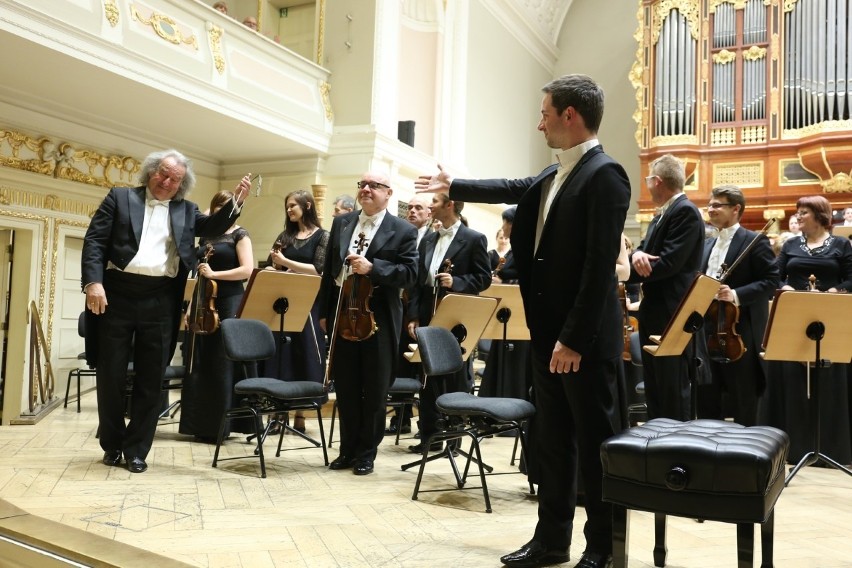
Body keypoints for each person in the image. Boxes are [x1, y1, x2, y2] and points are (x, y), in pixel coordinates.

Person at [417, 74, 630, 568]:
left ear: (569, 116)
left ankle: (602, 547)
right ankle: (551, 541)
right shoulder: (555, 174)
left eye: (544, 114)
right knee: (552, 443)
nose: (539, 124)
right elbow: (512, 185)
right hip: (547, 337)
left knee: (594, 446)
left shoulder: (606, 174)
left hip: (581, 341)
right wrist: (457, 185)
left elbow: (600, 268)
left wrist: (573, 339)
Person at [82, 149, 251, 474]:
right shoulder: (119, 198)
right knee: (111, 374)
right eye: (162, 173)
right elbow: (94, 242)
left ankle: (136, 450)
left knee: (151, 377)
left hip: (161, 300)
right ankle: (113, 444)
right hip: (116, 294)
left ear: (181, 185)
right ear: (150, 172)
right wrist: (93, 283)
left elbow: (214, 224)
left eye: (174, 179)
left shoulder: (186, 211)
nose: (166, 181)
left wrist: (236, 202)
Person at [318, 172, 418, 476]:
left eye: (374, 186)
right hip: (342, 314)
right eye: (362, 185)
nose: (366, 189)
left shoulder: (403, 230)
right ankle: (347, 449)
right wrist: (325, 311)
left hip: (380, 319)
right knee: (346, 386)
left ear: (388, 193)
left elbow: (410, 273)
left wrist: (374, 268)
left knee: (374, 389)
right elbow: (329, 272)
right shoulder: (341, 223)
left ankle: (366, 453)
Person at [764, 195, 852, 466]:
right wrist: (786, 288)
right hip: (795, 316)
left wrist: (834, 292)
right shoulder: (791, 244)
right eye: (798, 212)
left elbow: (851, 277)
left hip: (830, 315)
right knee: (794, 377)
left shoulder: (841, 244)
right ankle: (796, 445)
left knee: (829, 377)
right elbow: (776, 276)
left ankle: (829, 446)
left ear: (820, 215)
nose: (798, 216)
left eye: (804, 212)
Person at [405, 192, 491, 454]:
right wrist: (413, 316)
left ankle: (454, 438)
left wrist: (458, 283)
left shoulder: (474, 238)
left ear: (450, 205)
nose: (430, 206)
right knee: (428, 378)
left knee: (454, 378)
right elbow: (418, 282)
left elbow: (483, 278)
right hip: (428, 315)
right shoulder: (429, 238)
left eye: (435, 202)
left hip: (458, 318)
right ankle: (430, 436)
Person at [627, 154, 705, 421]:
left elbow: (669, 262)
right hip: (656, 310)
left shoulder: (685, 211)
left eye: (648, 181)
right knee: (655, 386)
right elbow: (643, 253)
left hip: (672, 312)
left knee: (671, 387)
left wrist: (635, 264)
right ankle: (657, 444)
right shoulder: (664, 213)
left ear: (657, 181)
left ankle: (675, 449)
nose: (647, 186)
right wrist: (636, 256)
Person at [697, 185, 778, 426]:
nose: (711, 210)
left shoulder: (754, 241)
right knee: (707, 394)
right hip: (707, 328)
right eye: (709, 205)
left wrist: (735, 294)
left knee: (744, 395)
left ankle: (745, 455)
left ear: (736, 209)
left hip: (739, 331)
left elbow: (771, 281)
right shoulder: (707, 244)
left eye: (717, 205)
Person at [179, 190, 254, 442]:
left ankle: (224, 426)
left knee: (223, 360)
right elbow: (200, 273)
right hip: (203, 299)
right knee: (200, 360)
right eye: (219, 207)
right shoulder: (208, 236)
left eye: (227, 207)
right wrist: (191, 307)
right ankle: (200, 424)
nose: (223, 211)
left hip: (230, 299)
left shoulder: (240, 234)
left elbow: (247, 270)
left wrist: (215, 275)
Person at [264, 189, 329, 433]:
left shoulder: (323, 236)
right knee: (281, 357)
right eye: (287, 206)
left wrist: (288, 264)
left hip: (308, 303)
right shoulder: (285, 235)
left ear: (308, 206)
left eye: (293, 206)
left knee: (304, 355)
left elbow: (319, 269)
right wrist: (275, 267)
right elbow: (273, 264)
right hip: (283, 303)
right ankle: (277, 415)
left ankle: (301, 414)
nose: (289, 210)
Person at [387, 193, 433, 437]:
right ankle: (400, 418)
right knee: (399, 363)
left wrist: (414, 314)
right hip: (397, 305)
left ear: (429, 214)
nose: (412, 211)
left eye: (419, 208)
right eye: (410, 207)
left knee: (419, 366)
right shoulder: (399, 235)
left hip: (419, 309)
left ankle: (425, 423)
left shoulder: (431, 239)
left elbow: (419, 281)